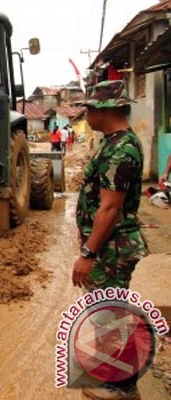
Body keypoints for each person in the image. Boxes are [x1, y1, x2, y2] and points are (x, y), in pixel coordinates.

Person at [72, 80, 148, 400]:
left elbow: (111, 207)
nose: (86, 115)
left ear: (107, 109)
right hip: (108, 246)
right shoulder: (111, 142)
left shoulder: (122, 149)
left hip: (113, 248)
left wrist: (88, 252)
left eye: (90, 108)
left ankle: (122, 388)